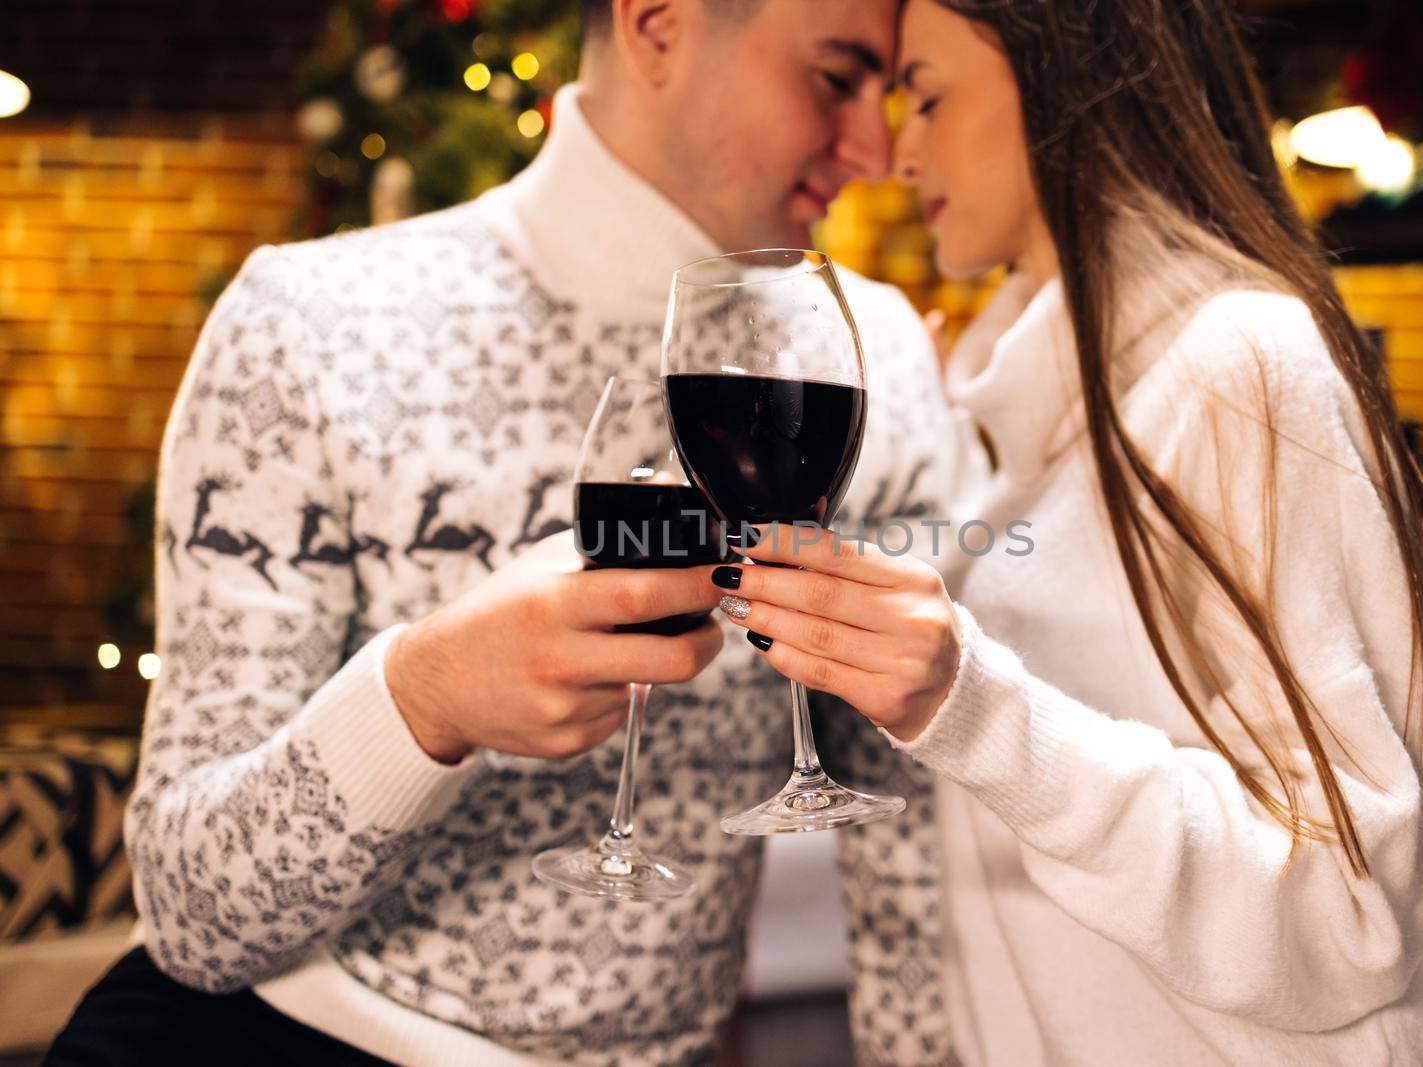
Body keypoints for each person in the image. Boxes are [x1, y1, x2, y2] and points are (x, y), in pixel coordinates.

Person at [45, 1, 969, 1064]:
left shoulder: (869, 355)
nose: (878, 149)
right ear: (659, 24)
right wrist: (424, 696)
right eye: (835, 77)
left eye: (893, 91)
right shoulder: (309, 321)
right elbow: (189, 911)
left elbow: (895, 835)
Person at [709, 0, 1423, 1063]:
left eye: (930, 98)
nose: (897, 153)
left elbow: (1346, 911)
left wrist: (972, 709)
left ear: (1067, 78)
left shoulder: (1235, 363)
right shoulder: (1034, 417)